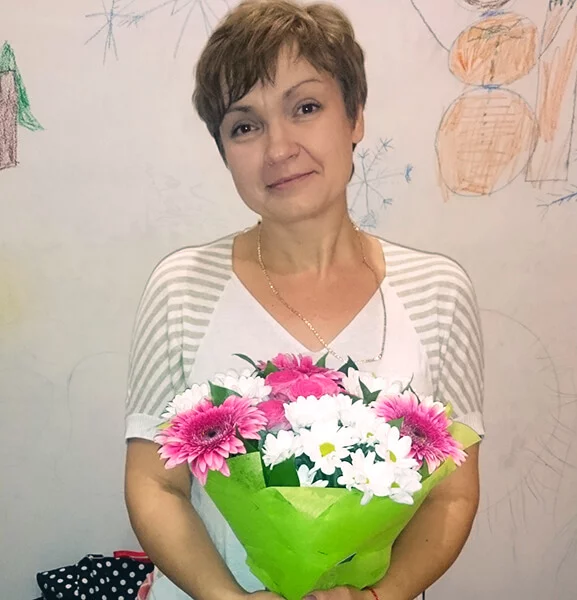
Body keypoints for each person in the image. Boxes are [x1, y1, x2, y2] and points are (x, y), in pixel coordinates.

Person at [123, 1, 485, 599]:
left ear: (355, 116)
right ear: (223, 149)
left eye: (306, 108)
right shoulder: (182, 287)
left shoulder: (437, 292)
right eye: (245, 126)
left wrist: (379, 596)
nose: (278, 148)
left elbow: (452, 494)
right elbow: (154, 485)